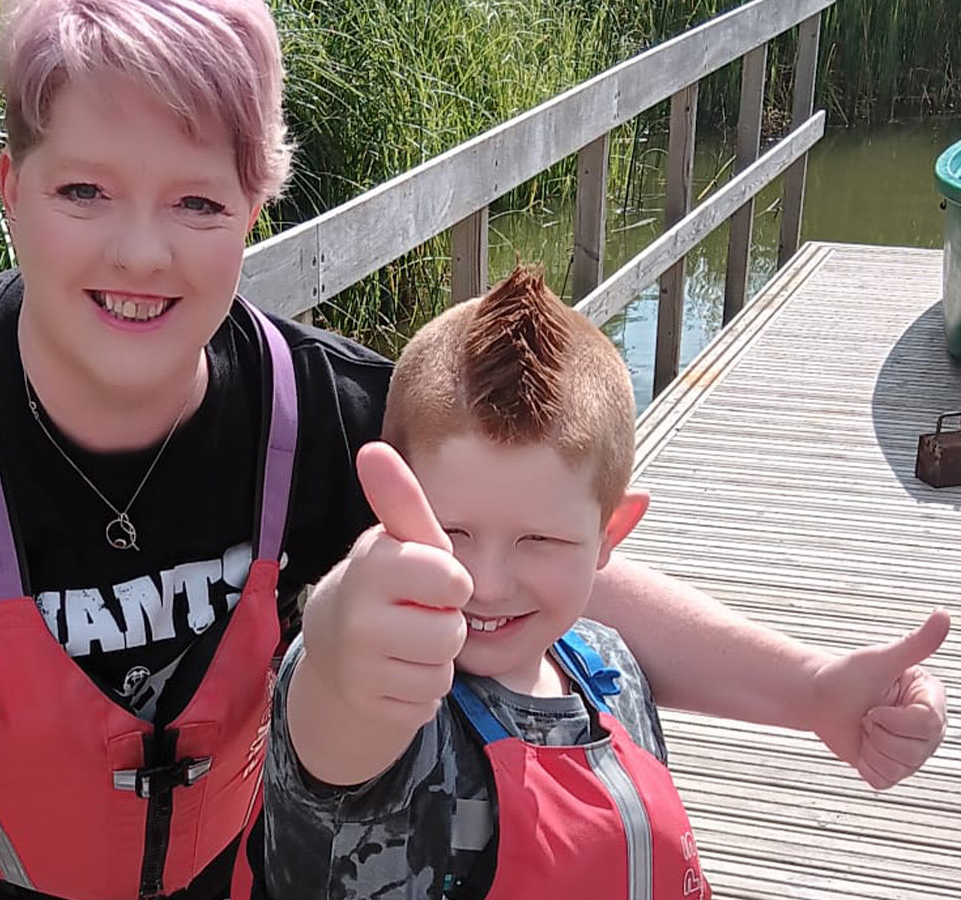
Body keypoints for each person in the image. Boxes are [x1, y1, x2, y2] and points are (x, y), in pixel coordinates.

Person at [0, 2, 950, 899]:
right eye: (82, 192)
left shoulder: (320, 414)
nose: (138, 251)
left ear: (259, 200)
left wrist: (818, 689)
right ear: (10, 190)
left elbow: (548, 569)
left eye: (197, 200)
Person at [253, 263, 703, 898]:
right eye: (450, 531)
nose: (485, 585)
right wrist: (333, 637)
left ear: (612, 535)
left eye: (540, 540)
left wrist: (824, 690)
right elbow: (335, 700)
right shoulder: (397, 708)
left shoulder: (616, 668)